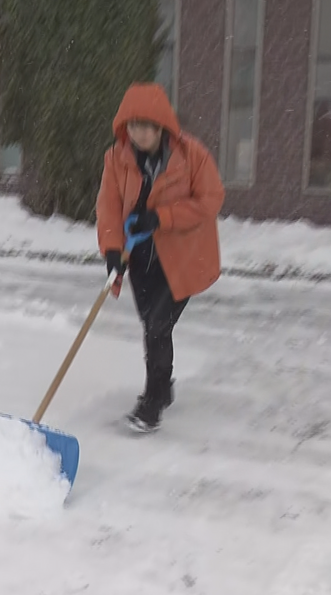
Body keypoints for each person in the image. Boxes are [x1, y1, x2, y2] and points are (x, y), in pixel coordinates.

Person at [95, 82, 225, 433]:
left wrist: (163, 217)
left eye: (147, 125)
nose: (140, 133)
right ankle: (162, 386)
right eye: (133, 125)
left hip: (184, 257)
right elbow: (108, 208)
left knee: (158, 325)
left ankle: (152, 401)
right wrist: (111, 251)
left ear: (162, 125)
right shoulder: (116, 159)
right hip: (140, 258)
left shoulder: (191, 155)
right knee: (152, 326)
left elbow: (211, 199)